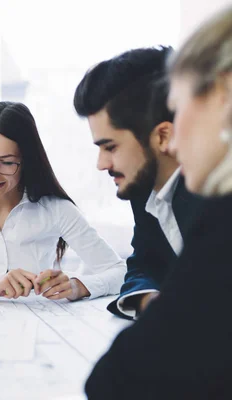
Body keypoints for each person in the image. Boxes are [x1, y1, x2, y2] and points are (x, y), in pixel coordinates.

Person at [86, 6, 232, 398]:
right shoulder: (148, 195)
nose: (177, 135)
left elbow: (114, 380)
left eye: (181, 107)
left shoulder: (222, 212)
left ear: (222, 99)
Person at [0, 101, 126, 301]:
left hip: (39, 321)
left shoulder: (56, 208)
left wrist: (77, 286)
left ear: (27, 161)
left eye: (6, 162)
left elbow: (119, 272)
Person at [74, 46, 203, 319]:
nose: (101, 164)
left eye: (110, 147)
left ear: (163, 136)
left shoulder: (216, 195)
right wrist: (147, 301)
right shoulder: (146, 189)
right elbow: (144, 264)